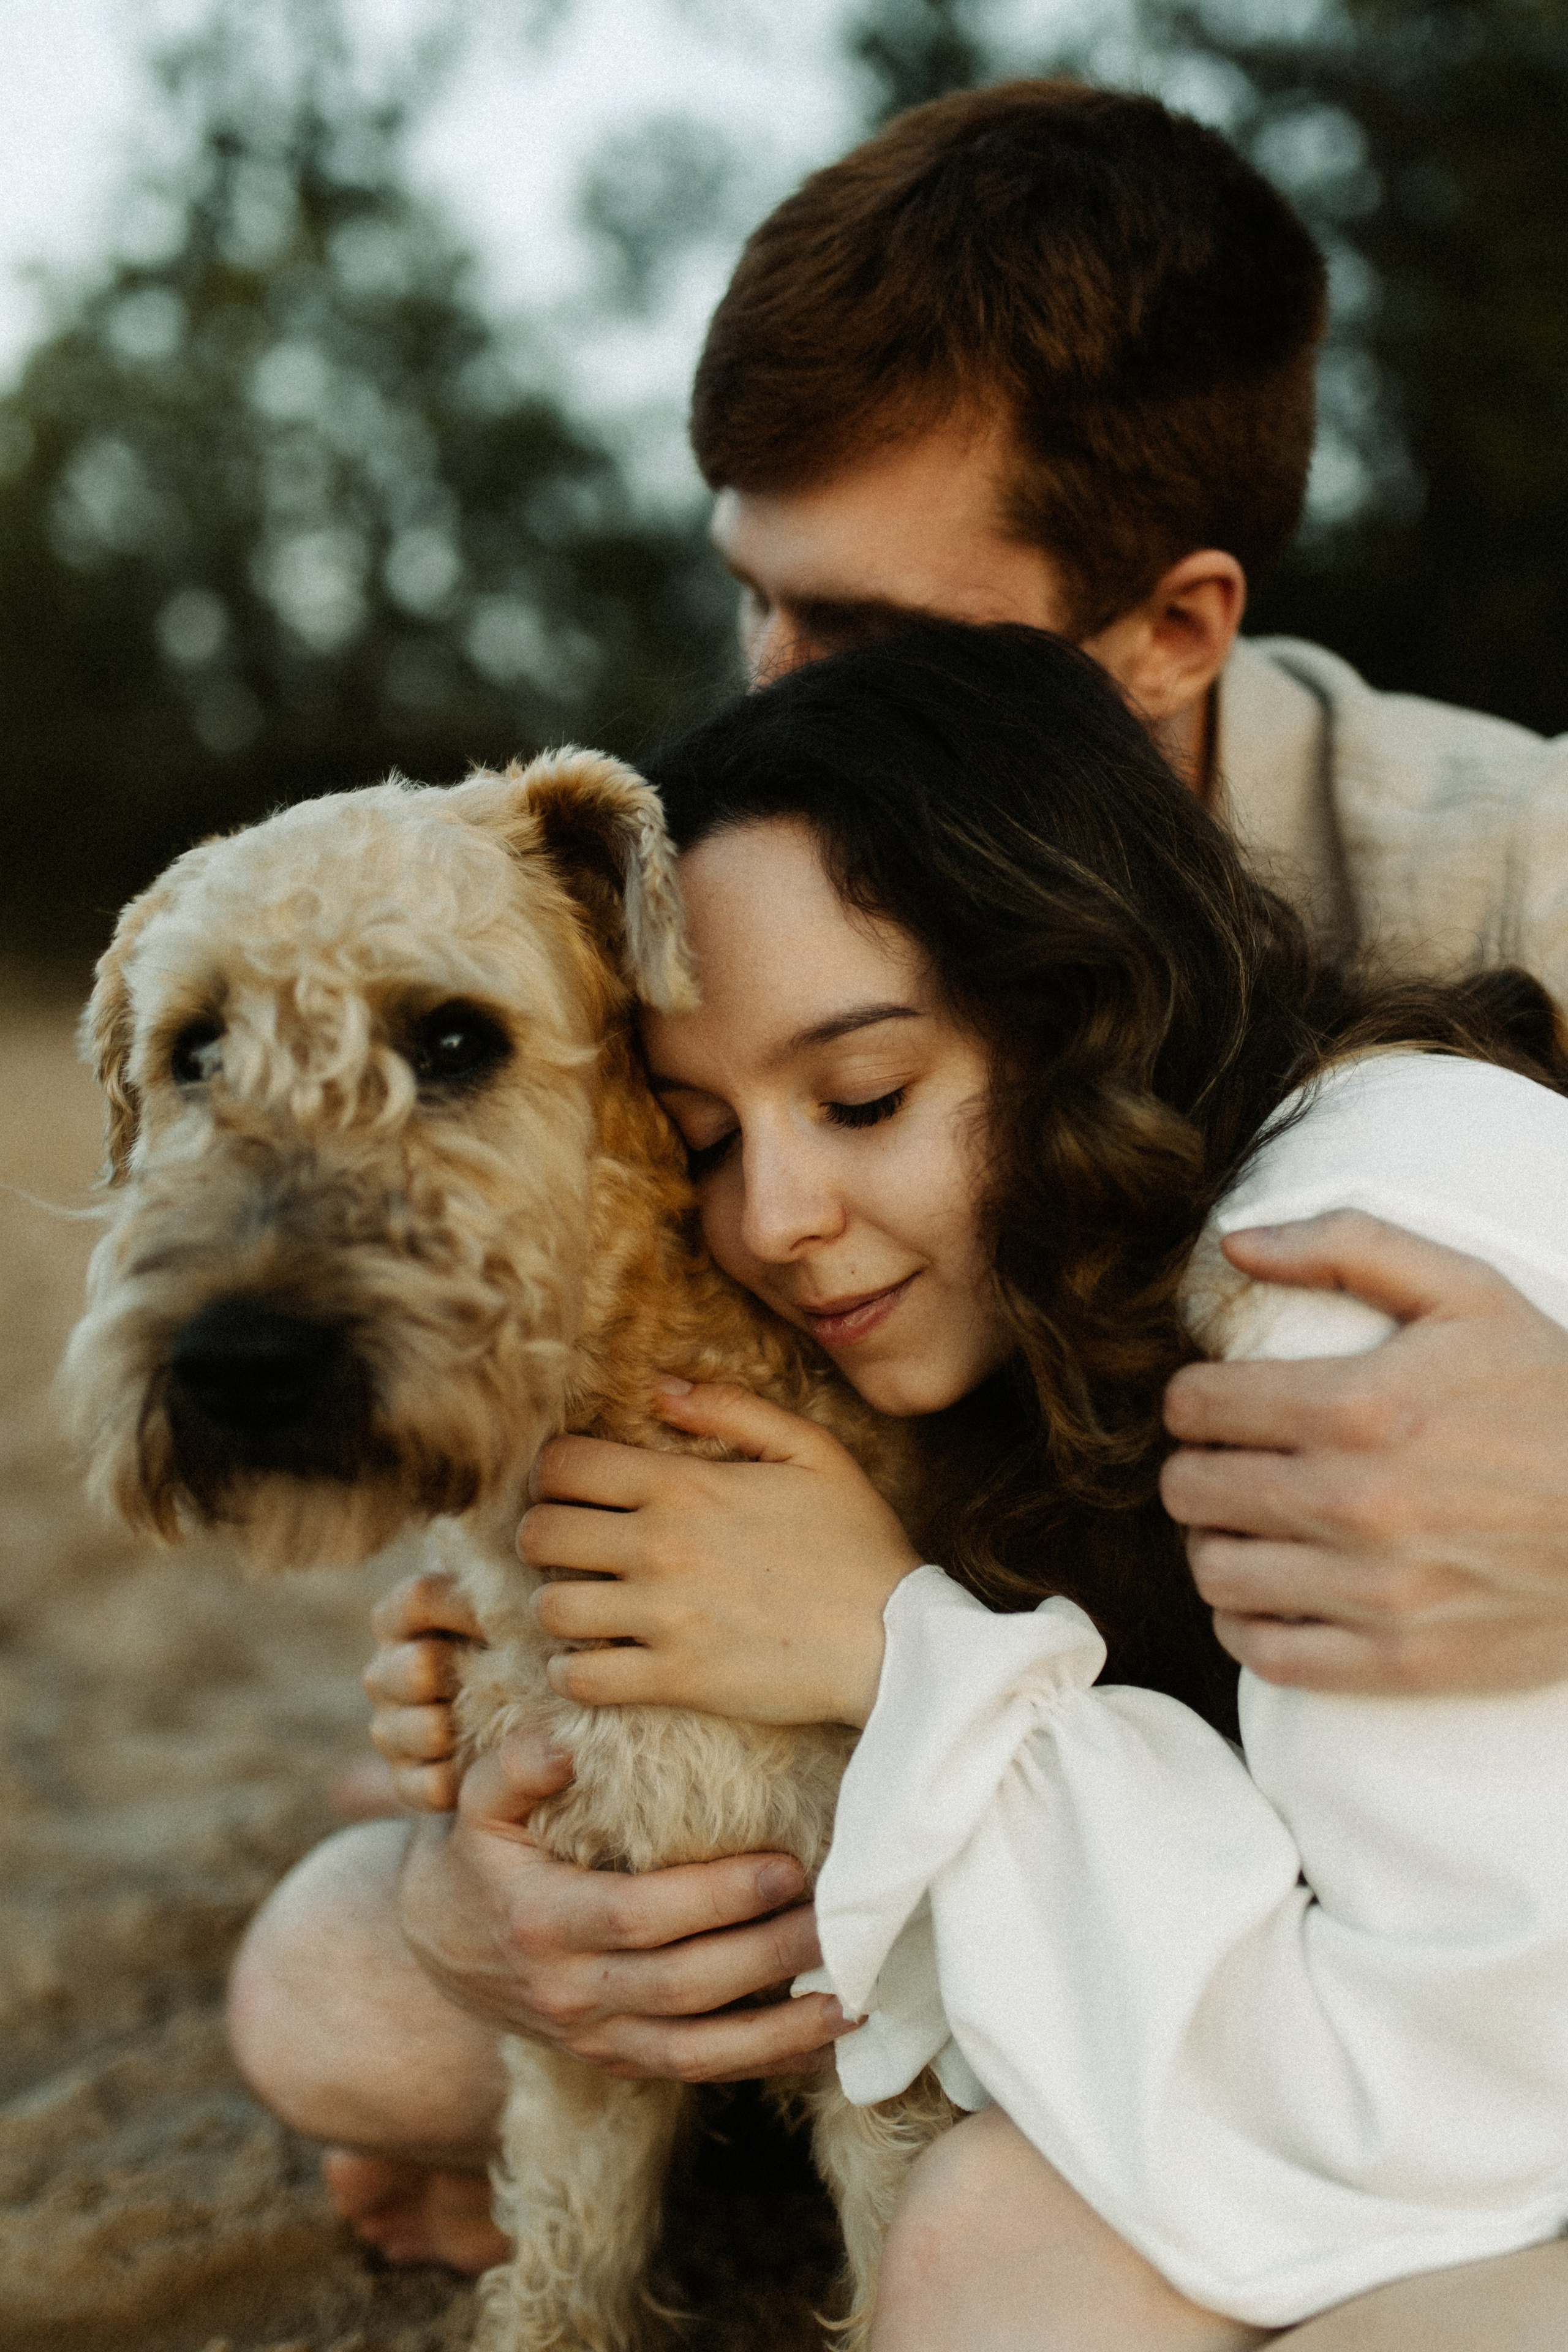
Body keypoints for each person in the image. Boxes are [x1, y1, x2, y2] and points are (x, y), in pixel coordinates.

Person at [233, 79, 1568, 2268]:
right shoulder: (727, 867)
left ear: (1171, 628)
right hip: (956, 1748)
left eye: (862, 638)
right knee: (340, 1984)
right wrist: (482, 1765)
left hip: (1344, 1852)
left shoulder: (1506, 865)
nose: (768, 691)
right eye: (750, 601)